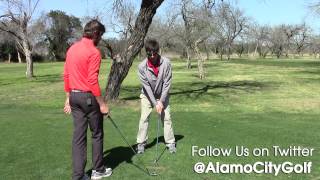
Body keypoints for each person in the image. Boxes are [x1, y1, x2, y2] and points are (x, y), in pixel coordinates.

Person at [63, 19, 112, 180]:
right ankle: (98, 170)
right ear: (96, 34)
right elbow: (92, 81)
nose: (100, 39)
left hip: (74, 97)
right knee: (97, 133)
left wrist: (67, 97)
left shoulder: (72, 48)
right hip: (88, 98)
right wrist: (102, 104)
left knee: (78, 137)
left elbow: (67, 75)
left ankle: (78, 176)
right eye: (101, 35)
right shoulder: (94, 52)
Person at [136, 38, 176, 154]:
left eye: (154, 53)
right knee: (144, 118)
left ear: (158, 51)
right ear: (146, 52)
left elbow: (167, 83)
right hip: (147, 96)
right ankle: (141, 143)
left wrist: (161, 101)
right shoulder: (141, 67)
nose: (152, 56)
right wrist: (155, 103)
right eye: (149, 53)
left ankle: (170, 142)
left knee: (167, 118)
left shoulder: (166, 63)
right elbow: (147, 87)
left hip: (163, 94)